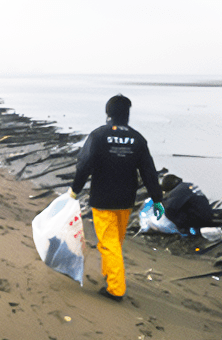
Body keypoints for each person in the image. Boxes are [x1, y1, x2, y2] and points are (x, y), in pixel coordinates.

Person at [69, 94, 164, 302]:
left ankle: (115, 288)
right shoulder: (137, 139)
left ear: (108, 113)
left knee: (108, 243)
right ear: (127, 114)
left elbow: (84, 165)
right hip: (125, 201)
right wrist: (157, 199)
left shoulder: (99, 135)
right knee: (115, 242)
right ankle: (109, 272)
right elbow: (149, 172)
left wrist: (74, 190)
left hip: (103, 199)